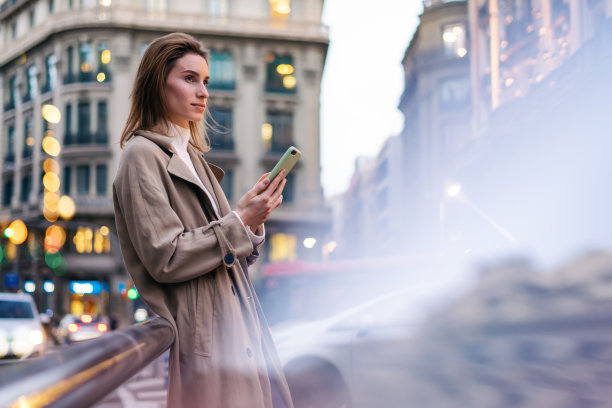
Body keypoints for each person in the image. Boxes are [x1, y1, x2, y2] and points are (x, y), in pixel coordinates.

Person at [112, 32, 293, 408]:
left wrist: (252, 221)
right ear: (157, 84)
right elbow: (167, 256)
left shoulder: (195, 159)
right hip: (209, 343)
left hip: (241, 330)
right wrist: (239, 220)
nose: (203, 92)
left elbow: (228, 253)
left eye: (206, 81)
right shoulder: (141, 155)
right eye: (189, 78)